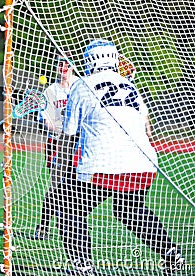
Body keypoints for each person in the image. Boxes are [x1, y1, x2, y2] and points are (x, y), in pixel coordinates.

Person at [59, 38, 185, 275]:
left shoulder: (82, 84)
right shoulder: (131, 86)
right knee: (130, 210)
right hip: (143, 162)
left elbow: (68, 131)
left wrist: (60, 159)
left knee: (69, 207)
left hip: (103, 162)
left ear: (89, 61)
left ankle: (82, 266)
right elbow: (146, 127)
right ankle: (171, 253)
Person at [34, 53, 79, 240]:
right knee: (56, 186)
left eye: (67, 64)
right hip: (58, 143)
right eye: (60, 63)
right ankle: (43, 225)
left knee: (77, 187)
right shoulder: (50, 91)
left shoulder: (81, 87)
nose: (63, 67)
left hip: (81, 143)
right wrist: (60, 132)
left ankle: (73, 225)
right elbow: (45, 120)